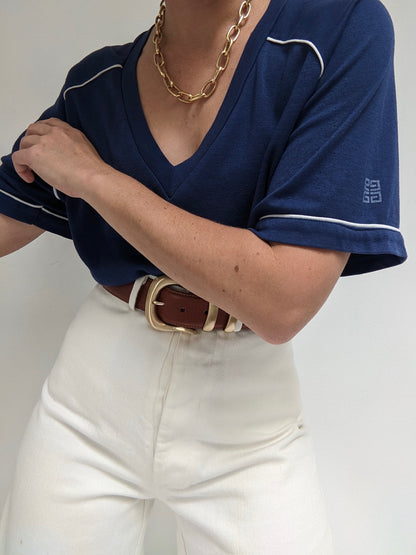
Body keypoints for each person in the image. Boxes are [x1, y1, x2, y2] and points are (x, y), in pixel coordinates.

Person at [0, 0, 407, 553]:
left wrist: (95, 179)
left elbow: (283, 301)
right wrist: (77, 170)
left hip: (244, 427)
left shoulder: (335, 31)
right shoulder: (97, 84)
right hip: (86, 407)